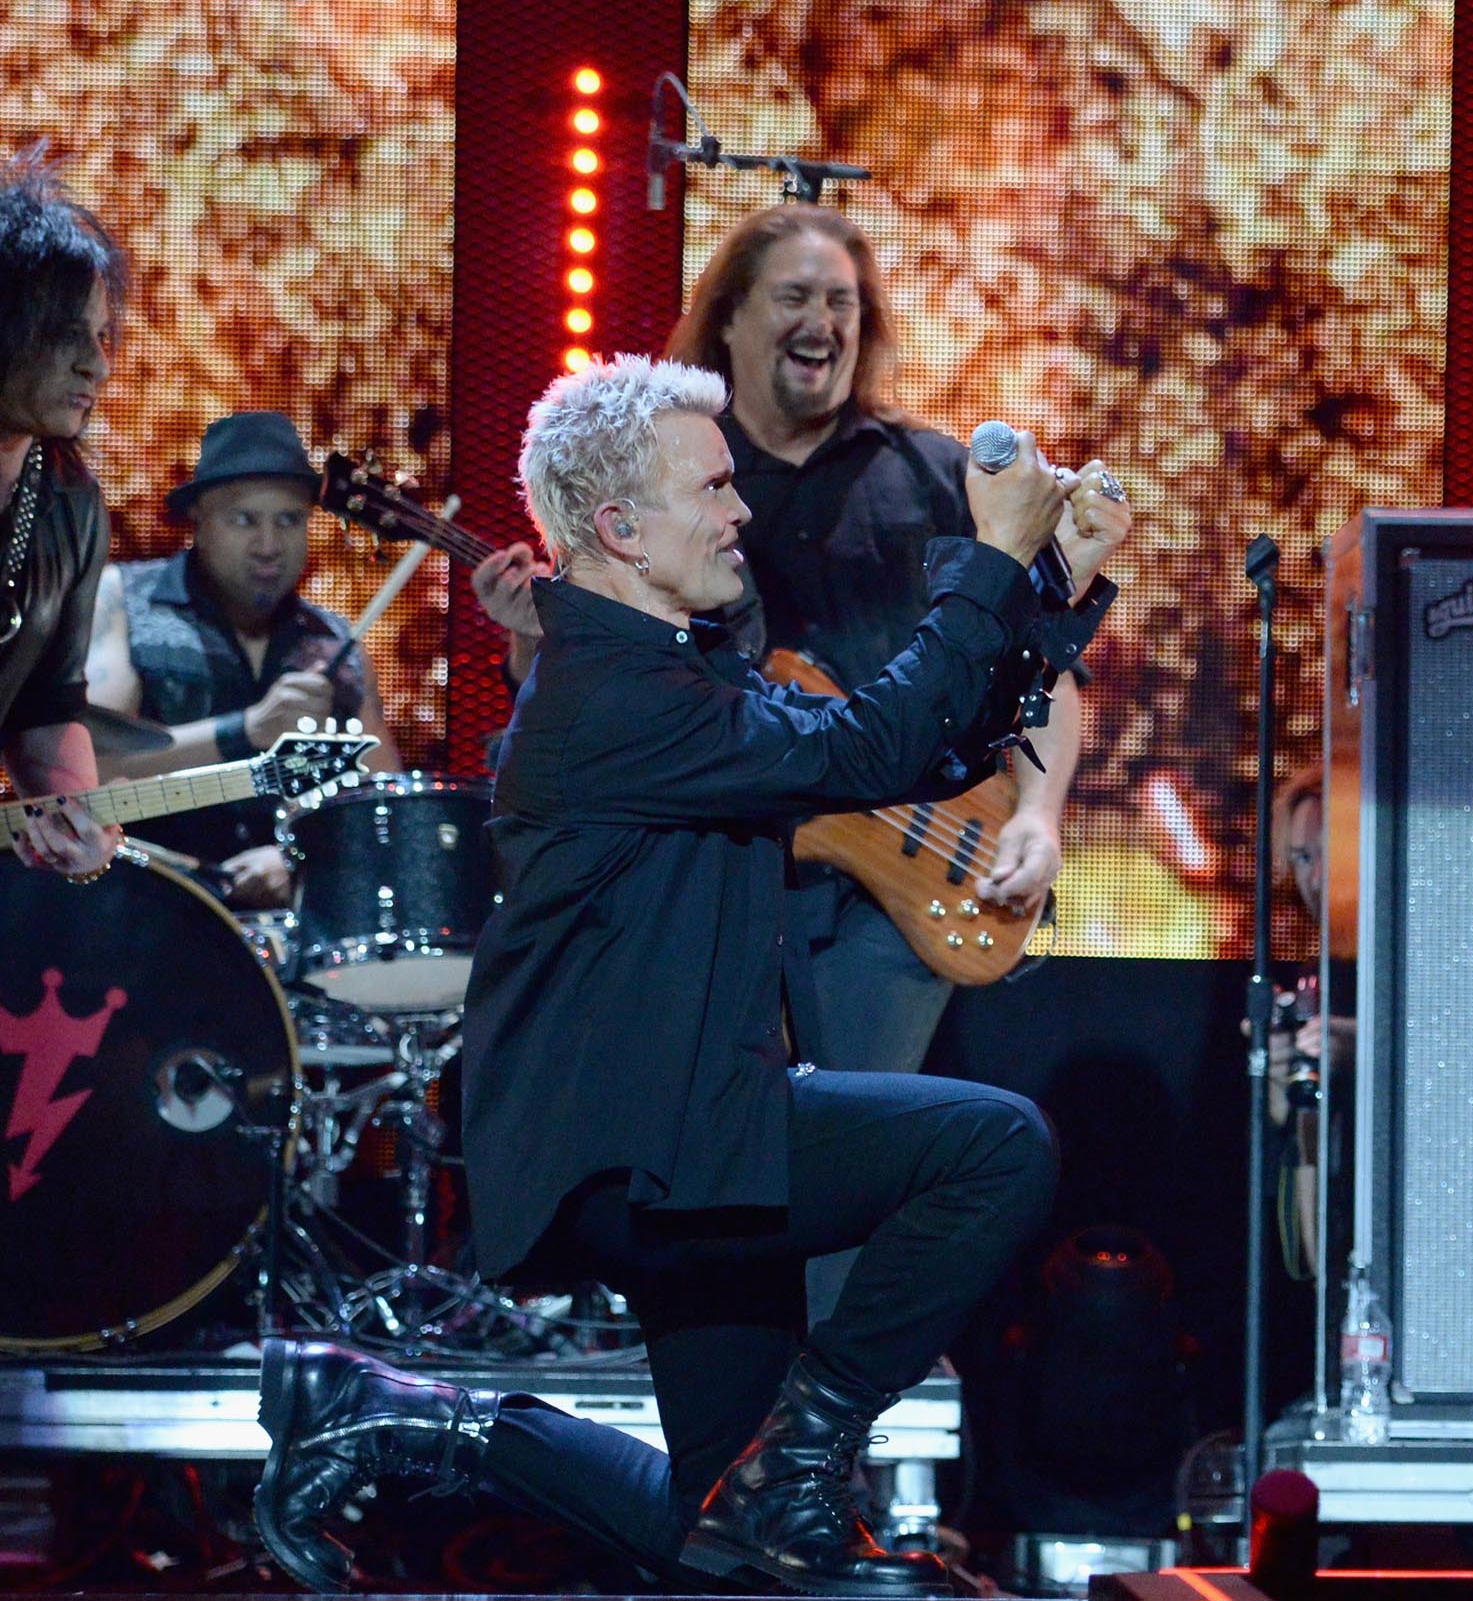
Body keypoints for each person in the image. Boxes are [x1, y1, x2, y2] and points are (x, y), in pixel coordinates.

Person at [254, 355, 1123, 1596]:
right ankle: (808, 1454)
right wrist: (990, 561)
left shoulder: (666, 668)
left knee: (729, 1540)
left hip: (690, 1142)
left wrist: (1049, 581)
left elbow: (921, 749)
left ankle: (397, 1415)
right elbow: (874, 742)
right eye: (712, 490)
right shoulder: (612, 691)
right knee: (996, 1150)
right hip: (651, 1142)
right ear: (619, 529)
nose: (742, 512)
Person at [471, 209, 1111, 1216]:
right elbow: (633, 714)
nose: (823, 321)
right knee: (747, 1188)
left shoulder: (924, 472)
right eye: (796, 297)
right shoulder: (667, 469)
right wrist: (533, 647)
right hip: (738, 879)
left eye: (842, 301)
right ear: (727, 320)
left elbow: (1002, 690)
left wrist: (1038, 809)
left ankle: (814, 1365)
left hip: (894, 881)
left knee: (838, 1186)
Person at [81, 410, 404, 906]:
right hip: (140, 914)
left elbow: (385, 809)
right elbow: (90, 772)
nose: (269, 545)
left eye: (289, 520)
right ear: (201, 521)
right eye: (244, 519)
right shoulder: (123, 602)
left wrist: (302, 856)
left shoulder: (336, 642)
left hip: (290, 944)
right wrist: (247, 729)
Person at [0, 149, 124, 881]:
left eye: (102, 335)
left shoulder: (70, 503)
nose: (97, 366)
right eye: (66, 334)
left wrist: (77, 823)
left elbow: (45, 709)